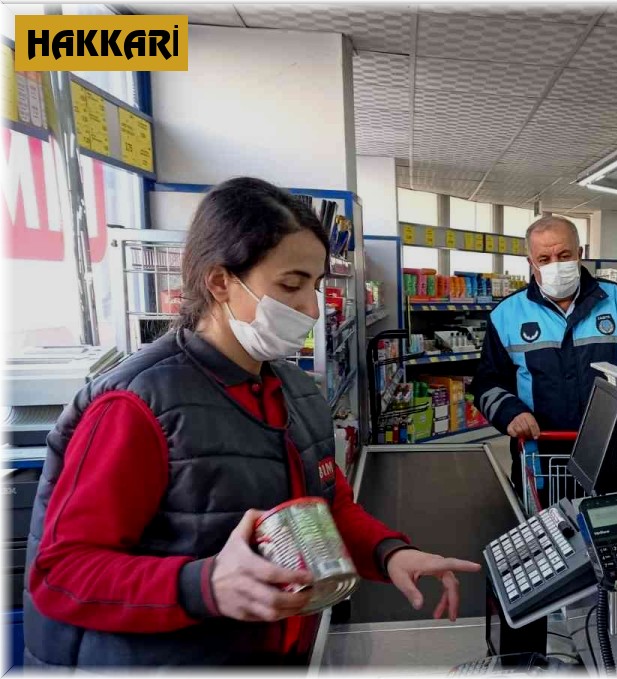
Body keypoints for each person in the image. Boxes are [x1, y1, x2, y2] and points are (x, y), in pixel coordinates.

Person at [23, 178, 481, 667]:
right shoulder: (135, 405)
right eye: (291, 285)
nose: (311, 308)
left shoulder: (297, 391)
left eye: (316, 285)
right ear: (220, 281)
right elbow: (61, 574)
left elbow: (326, 509)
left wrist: (389, 554)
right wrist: (203, 584)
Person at [469, 216, 617, 493]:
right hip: (541, 459)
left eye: (564, 255)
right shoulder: (506, 315)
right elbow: (487, 383)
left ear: (579, 254)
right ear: (531, 262)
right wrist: (511, 413)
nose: (555, 264)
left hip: (615, 456)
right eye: (544, 259)